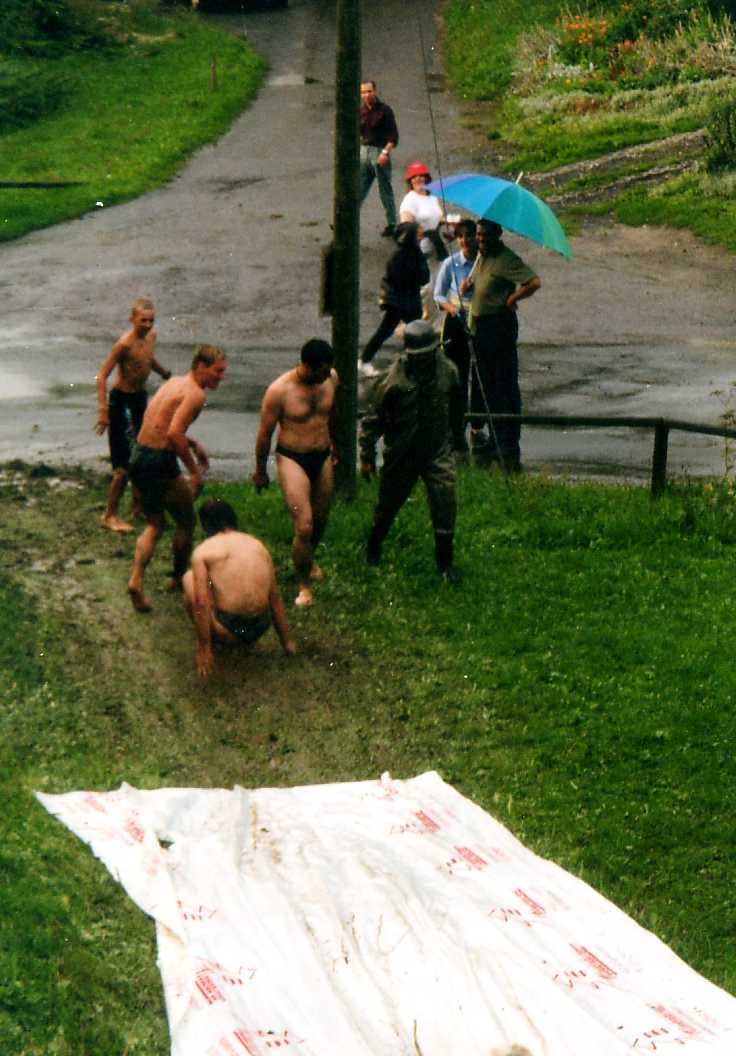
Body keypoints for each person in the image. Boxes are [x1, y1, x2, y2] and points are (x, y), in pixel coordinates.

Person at [359, 320, 465, 583]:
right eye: (418, 356)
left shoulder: (448, 372)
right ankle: (373, 547)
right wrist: (367, 457)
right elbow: (373, 421)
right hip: (402, 453)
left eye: (428, 354)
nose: (424, 361)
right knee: (388, 504)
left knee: (445, 501)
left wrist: (458, 438)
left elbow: (457, 407)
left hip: (436, 450)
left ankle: (445, 564)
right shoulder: (391, 381)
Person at [127, 344, 227, 613]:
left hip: (139, 454)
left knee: (156, 523)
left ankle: (136, 579)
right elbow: (173, 435)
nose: (221, 377)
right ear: (200, 367)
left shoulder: (174, 383)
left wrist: (191, 443)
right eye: (217, 372)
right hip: (160, 460)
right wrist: (194, 472)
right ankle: (179, 577)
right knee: (186, 521)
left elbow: (157, 420)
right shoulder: (195, 394)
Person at [253, 339, 338, 609]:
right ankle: (303, 585)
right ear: (308, 366)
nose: (326, 376)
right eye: (322, 371)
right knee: (304, 524)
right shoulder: (280, 391)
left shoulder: (331, 378)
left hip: (322, 455)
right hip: (293, 457)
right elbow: (264, 435)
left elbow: (333, 415)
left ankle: (308, 557)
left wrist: (336, 444)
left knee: (321, 518)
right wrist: (260, 471)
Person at [182, 499, 296, 678]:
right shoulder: (258, 545)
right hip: (260, 626)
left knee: (189, 578)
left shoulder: (203, 551)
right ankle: (241, 639)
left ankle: (213, 643)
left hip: (229, 631)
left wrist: (204, 649)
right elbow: (275, 598)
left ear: (205, 525)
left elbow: (201, 602)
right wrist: (287, 642)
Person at [460, 220, 540, 470]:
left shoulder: (506, 258)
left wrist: (513, 298)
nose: (480, 239)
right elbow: (480, 286)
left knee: (504, 385)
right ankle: (494, 438)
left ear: (496, 235)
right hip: (481, 327)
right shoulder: (482, 258)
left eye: (485, 236)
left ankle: (508, 443)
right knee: (487, 384)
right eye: (478, 235)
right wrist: (469, 286)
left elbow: (534, 282)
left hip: (499, 326)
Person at [95, 297, 171, 533]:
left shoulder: (151, 337)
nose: (147, 324)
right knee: (124, 464)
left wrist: (164, 373)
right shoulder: (123, 345)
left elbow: (147, 358)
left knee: (143, 455)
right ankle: (109, 514)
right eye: (143, 320)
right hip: (121, 403)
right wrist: (104, 411)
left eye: (151, 320)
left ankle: (137, 508)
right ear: (132, 319)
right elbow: (101, 377)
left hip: (140, 400)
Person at [360, 222, 429, 374]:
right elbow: (407, 278)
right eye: (419, 233)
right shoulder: (401, 256)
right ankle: (365, 359)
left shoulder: (414, 254)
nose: (422, 237)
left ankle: (408, 362)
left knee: (408, 332)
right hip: (398, 301)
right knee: (387, 330)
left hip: (407, 300)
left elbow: (424, 278)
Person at [433, 218, 478, 446]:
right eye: (460, 237)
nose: (464, 241)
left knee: (477, 374)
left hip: (477, 320)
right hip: (454, 322)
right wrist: (451, 307)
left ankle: (477, 426)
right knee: (455, 375)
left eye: (469, 236)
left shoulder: (482, 263)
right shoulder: (451, 263)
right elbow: (438, 295)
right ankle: (455, 427)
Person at [359, 79, 399, 237]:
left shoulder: (384, 111)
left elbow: (393, 137)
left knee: (385, 190)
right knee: (359, 188)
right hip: (364, 152)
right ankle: (348, 222)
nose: (366, 95)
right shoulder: (360, 111)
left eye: (369, 91)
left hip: (379, 151)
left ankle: (392, 223)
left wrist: (385, 153)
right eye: (363, 92)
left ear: (375, 92)